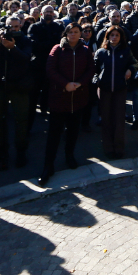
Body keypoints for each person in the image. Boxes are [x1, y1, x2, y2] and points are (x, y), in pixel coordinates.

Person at [39, 23, 95, 185]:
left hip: (78, 98)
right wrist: (65, 84)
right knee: (54, 134)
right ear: (66, 33)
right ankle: (48, 165)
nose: (73, 34)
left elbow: (91, 70)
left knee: (73, 131)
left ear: (80, 34)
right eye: (70, 32)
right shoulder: (57, 49)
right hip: (59, 98)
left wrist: (79, 84)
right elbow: (50, 70)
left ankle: (69, 155)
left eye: (76, 32)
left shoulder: (84, 50)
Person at [0, 15, 33, 170]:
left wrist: (13, 48)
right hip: (0, 85)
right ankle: (1, 150)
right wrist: (1, 44)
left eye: (16, 27)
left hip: (19, 86)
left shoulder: (25, 40)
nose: (13, 30)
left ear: (20, 27)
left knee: (21, 120)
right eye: (10, 27)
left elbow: (26, 58)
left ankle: (21, 151)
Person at [93, 24, 137, 158]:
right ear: (107, 37)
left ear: (121, 37)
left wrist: (130, 70)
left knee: (119, 119)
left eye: (117, 35)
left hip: (120, 89)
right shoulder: (101, 52)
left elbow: (134, 63)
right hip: (104, 88)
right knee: (106, 120)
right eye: (112, 35)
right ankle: (108, 148)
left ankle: (119, 148)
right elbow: (94, 69)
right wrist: (96, 78)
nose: (114, 37)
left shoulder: (125, 50)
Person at [27, 5, 64, 132]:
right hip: (37, 65)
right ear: (41, 13)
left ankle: (53, 123)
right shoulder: (34, 27)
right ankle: (28, 126)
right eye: (46, 11)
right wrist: (50, 45)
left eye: (51, 11)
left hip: (54, 64)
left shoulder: (58, 27)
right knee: (34, 94)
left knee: (52, 93)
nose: (49, 13)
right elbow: (33, 44)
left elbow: (61, 44)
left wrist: (47, 45)